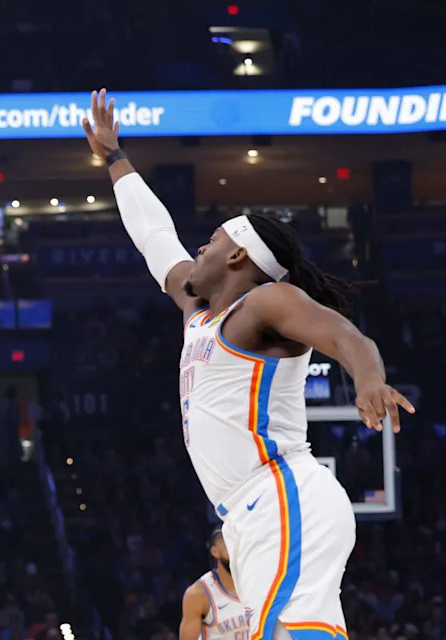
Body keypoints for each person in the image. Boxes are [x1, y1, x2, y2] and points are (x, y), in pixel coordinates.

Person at [82, 88, 414, 640]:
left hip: (284, 493)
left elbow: (342, 333)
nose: (200, 250)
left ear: (237, 254)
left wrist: (370, 379)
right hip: (249, 513)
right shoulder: (198, 313)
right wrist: (116, 158)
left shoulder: (262, 305)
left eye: (211, 241)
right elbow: (155, 237)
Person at [180, 527, 248, 640]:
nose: (236, 552)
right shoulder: (198, 594)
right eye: (230, 547)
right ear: (215, 552)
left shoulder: (258, 582)